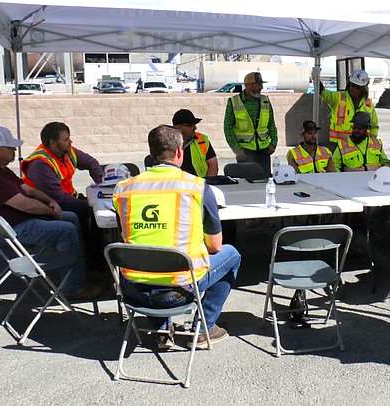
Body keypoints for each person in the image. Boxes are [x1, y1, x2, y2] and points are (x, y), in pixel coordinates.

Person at [113, 125, 241, 350]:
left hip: (134, 289)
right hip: (178, 292)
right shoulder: (197, 187)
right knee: (232, 254)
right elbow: (215, 246)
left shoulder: (122, 189)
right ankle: (203, 329)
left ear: (151, 153)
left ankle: (163, 330)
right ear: (180, 152)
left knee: (148, 256)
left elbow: (128, 237)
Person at [0, 126, 101, 300]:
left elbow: (29, 190)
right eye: (10, 148)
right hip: (11, 231)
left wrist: (50, 202)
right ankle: (72, 287)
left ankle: (77, 272)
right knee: (66, 229)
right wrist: (51, 210)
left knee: (71, 217)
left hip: (18, 222)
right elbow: (26, 206)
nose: (15, 150)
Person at [20, 122, 103, 263]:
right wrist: (90, 204)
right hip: (50, 205)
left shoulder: (67, 151)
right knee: (92, 212)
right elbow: (58, 198)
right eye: (65, 139)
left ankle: (95, 252)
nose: (70, 142)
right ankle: (92, 257)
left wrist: (101, 185)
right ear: (52, 143)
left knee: (96, 209)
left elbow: (92, 163)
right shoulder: (39, 163)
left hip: (68, 197)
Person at [223, 72, 278, 176]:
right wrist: (236, 149)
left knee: (264, 180)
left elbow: (271, 124)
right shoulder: (234, 102)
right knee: (247, 183)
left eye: (261, 84)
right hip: (245, 153)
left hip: (264, 150)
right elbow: (227, 128)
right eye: (258, 84)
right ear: (249, 86)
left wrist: (273, 143)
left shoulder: (265, 101)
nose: (261, 87)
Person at [319, 68, 379, 144]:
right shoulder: (338, 98)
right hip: (339, 144)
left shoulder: (369, 104)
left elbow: (374, 126)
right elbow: (323, 92)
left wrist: (372, 141)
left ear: (363, 89)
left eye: (357, 87)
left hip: (362, 145)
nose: (353, 88)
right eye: (352, 85)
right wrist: (316, 79)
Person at [165, 108, 218, 177]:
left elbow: (213, 165)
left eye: (195, 125)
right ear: (179, 127)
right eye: (191, 125)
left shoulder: (202, 140)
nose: (195, 128)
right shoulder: (166, 143)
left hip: (199, 185)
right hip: (176, 185)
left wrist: (207, 184)